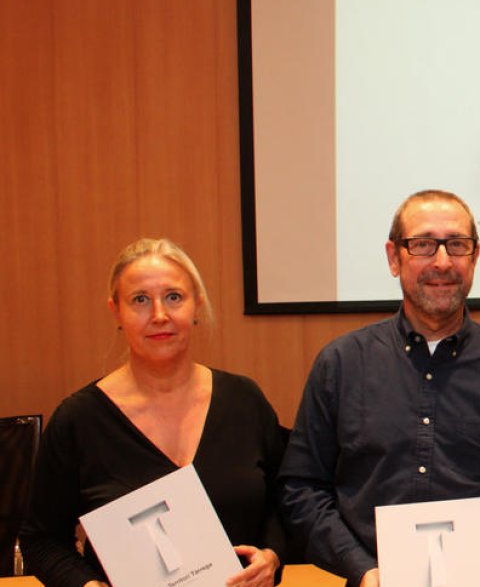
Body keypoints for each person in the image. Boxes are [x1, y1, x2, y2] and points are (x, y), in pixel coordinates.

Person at [278, 190, 480, 587]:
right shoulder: (340, 364)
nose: (442, 262)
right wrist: (361, 570)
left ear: (475, 256)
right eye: (424, 245)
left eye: (457, 245)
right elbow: (302, 488)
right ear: (394, 257)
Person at [19, 238, 285, 587]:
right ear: (116, 311)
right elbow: (41, 540)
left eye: (174, 297)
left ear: (197, 306)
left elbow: (287, 502)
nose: (159, 315)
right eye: (140, 300)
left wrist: (273, 557)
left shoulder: (244, 401)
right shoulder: (79, 420)